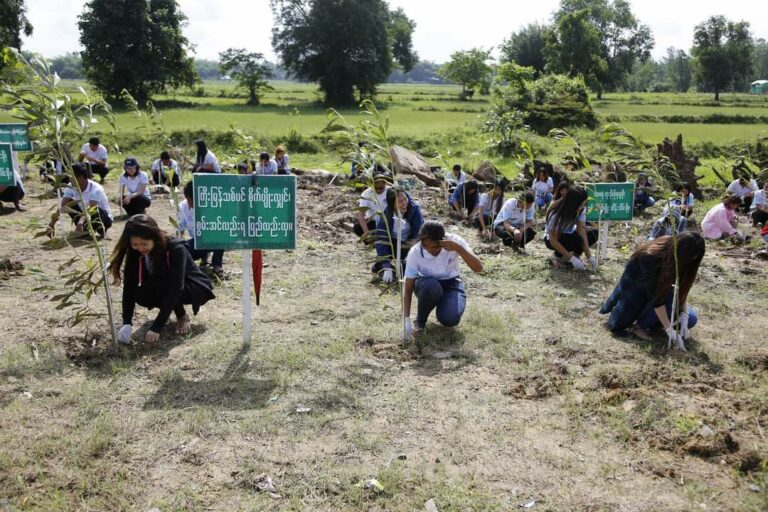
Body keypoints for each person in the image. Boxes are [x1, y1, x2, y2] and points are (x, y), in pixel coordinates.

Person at [108, 214, 215, 345]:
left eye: (144, 244)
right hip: (164, 285)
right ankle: (177, 312)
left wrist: (157, 327)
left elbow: (177, 286)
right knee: (140, 294)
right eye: (135, 244)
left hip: (191, 286)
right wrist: (127, 322)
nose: (140, 248)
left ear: (154, 237)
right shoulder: (135, 252)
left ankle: (182, 316)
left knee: (165, 285)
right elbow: (130, 286)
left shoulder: (176, 248)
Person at [599, 232, 704, 350]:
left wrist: (684, 314)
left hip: (660, 298)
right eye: (690, 258)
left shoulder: (683, 260)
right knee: (669, 304)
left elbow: (681, 289)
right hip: (636, 297)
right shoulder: (649, 258)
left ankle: (654, 321)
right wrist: (668, 329)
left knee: (692, 319)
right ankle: (641, 326)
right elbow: (657, 299)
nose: (691, 262)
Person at [402, 221, 483, 337]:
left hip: (451, 283)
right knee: (431, 286)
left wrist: (458, 248)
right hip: (427, 284)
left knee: (450, 319)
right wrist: (406, 320)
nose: (430, 250)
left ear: (443, 240)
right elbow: (408, 288)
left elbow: (478, 268)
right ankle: (420, 321)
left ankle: (445, 304)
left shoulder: (454, 241)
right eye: (426, 247)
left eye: (435, 247)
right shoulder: (415, 253)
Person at [47, 163, 113, 238]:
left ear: (81, 177)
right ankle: (84, 231)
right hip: (84, 217)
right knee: (69, 204)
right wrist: (52, 223)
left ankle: (102, 232)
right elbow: (63, 206)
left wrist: (81, 222)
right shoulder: (70, 186)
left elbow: (91, 209)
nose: (69, 180)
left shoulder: (96, 189)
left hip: (102, 219)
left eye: (71, 178)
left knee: (96, 210)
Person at [375, 187, 424, 283]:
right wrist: (386, 266)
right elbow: (381, 239)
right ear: (392, 204)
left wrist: (413, 247)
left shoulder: (414, 209)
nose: (404, 203)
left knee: (408, 270)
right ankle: (385, 267)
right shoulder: (386, 215)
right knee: (385, 264)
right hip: (393, 245)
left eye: (405, 199)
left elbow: (419, 232)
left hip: (409, 244)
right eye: (399, 201)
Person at [544, 187, 598, 271]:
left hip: (570, 233)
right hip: (554, 238)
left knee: (593, 233)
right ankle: (557, 256)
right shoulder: (556, 212)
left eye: (584, 204)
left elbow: (581, 231)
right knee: (575, 239)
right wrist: (572, 259)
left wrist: (589, 256)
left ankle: (576, 255)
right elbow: (553, 240)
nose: (583, 207)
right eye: (581, 204)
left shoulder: (581, 209)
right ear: (573, 203)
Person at [178, 181, 225, 277]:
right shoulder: (182, 208)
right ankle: (203, 259)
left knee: (221, 235)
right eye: (193, 200)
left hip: (211, 241)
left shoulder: (211, 206)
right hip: (196, 242)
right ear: (187, 198)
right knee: (182, 251)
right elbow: (180, 229)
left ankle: (217, 265)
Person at [354, 166, 391, 240]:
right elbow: (361, 215)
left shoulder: (391, 191)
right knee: (357, 228)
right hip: (374, 222)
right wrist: (367, 233)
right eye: (375, 188)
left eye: (380, 188)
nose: (378, 191)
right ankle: (372, 242)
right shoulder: (366, 194)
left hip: (388, 223)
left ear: (385, 184)